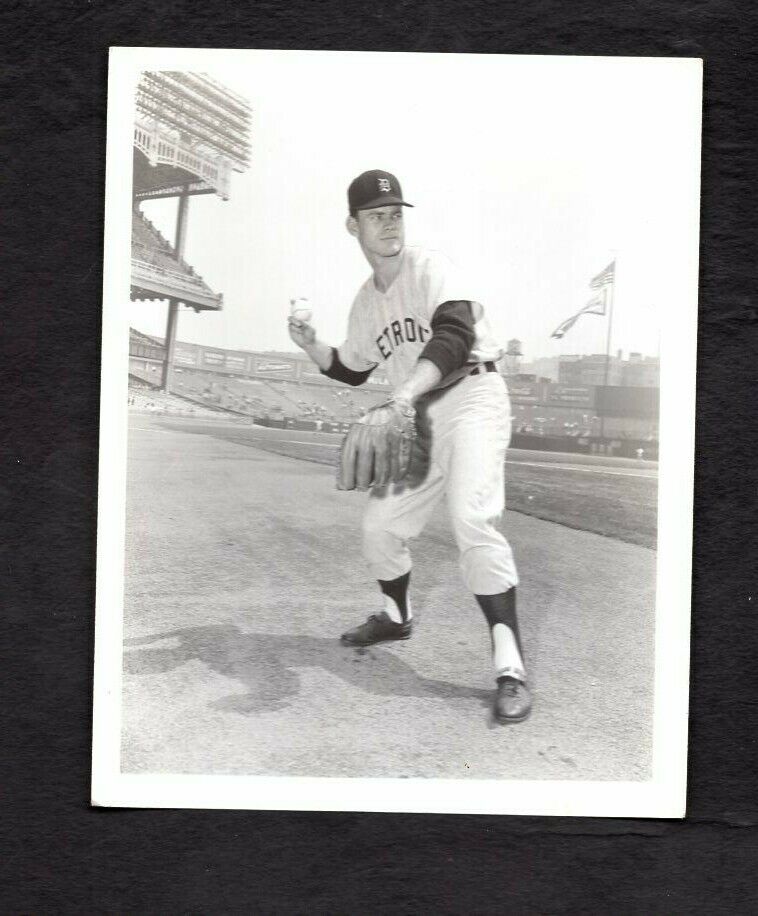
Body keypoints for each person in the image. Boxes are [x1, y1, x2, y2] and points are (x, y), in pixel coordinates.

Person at [288, 170, 531, 723]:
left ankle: (510, 667)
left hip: (473, 397)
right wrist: (310, 346)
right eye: (376, 215)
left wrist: (401, 395)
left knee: (472, 519)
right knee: (379, 528)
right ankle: (396, 616)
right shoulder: (364, 303)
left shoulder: (429, 266)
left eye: (395, 211)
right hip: (418, 415)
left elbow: (454, 335)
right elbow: (350, 369)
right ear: (354, 225)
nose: (389, 222)